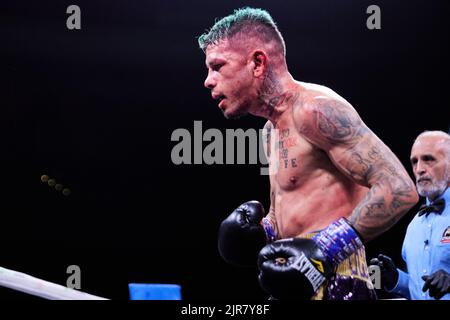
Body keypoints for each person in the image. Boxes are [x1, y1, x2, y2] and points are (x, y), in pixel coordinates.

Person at [198, 7, 418, 300]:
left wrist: (324, 249)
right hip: (293, 281)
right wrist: (262, 232)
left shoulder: (316, 110)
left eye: (217, 66)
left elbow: (400, 189)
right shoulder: (270, 130)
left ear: (258, 63)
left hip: (339, 284)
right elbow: (290, 211)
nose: (208, 80)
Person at [370, 131, 450, 300]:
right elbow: (418, 290)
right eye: (415, 161)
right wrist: (396, 279)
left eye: (429, 159)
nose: (419, 169)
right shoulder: (414, 226)